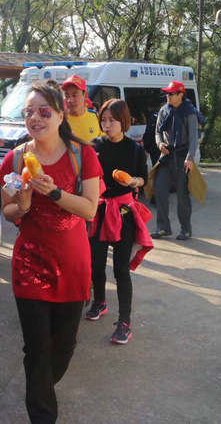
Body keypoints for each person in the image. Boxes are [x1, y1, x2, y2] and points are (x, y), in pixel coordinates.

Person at [0, 84, 102, 424]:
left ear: (60, 114)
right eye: (29, 112)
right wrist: (24, 201)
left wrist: (55, 192)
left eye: (44, 112)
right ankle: (42, 414)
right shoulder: (15, 158)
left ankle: (41, 386)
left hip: (72, 265)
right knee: (37, 349)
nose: (35, 118)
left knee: (63, 347)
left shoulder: (82, 155)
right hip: (30, 264)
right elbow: (9, 212)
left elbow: (89, 210)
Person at [85, 99, 153, 345]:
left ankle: (125, 322)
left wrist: (132, 182)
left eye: (111, 120)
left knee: (120, 269)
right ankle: (100, 301)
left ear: (123, 121)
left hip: (123, 213)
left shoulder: (134, 149)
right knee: (95, 263)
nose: (106, 125)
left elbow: (143, 180)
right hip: (99, 209)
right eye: (103, 120)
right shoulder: (96, 146)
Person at [152, 80, 199, 241]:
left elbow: (193, 138)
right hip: (166, 156)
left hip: (182, 156)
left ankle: (185, 229)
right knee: (159, 190)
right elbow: (157, 132)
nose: (168, 96)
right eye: (167, 93)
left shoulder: (189, 112)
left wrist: (189, 158)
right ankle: (163, 227)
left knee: (182, 194)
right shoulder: (164, 110)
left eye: (171, 93)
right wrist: (159, 144)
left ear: (180, 95)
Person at [60, 75, 103, 143]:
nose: (70, 100)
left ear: (85, 95)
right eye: (67, 96)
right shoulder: (60, 120)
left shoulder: (95, 116)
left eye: (74, 95)